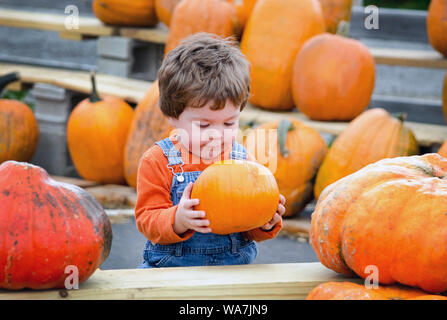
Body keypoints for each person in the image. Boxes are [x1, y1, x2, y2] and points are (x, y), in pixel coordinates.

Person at [135, 32, 286, 268]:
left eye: (229, 123)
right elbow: (147, 219)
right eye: (204, 125)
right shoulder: (158, 161)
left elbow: (246, 230)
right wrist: (178, 219)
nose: (218, 134)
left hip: (233, 274)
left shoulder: (242, 160)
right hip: (172, 274)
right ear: (172, 115)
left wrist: (264, 222)